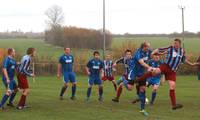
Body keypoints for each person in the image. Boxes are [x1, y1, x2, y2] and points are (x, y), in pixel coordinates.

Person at [137, 38, 199, 110]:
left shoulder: (182, 51)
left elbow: (183, 59)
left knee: (172, 86)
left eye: (176, 43)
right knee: (155, 72)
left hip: (172, 71)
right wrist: (152, 53)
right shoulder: (170, 48)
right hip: (166, 66)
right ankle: (138, 79)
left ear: (179, 44)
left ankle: (174, 105)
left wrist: (192, 64)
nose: (175, 44)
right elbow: (159, 49)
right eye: (174, 43)